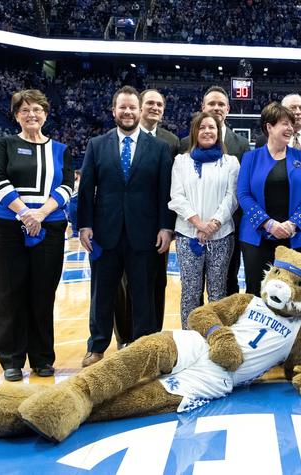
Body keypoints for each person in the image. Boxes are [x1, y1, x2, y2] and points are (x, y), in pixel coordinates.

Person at [78, 86, 174, 368]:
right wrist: (84, 225)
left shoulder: (159, 148)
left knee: (143, 292)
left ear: (139, 110)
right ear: (114, 111)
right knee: (102, 293)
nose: (128, 112)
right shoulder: (97, 145)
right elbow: (86, 190)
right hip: (105, 233)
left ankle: (144, 346)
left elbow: (164, 192)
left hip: (144, 233)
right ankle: (96, 347)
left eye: (132, 107)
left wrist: (165, 228)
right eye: (123, 107)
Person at [0, 89, 73, 381]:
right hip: (7, 228)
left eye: (37, 109)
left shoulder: (61, 149)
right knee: (9, 293)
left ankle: (42, 357)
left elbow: (67, 186)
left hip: (49, 228)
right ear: (16, 115)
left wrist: (39, 214)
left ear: (45, 113)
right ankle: (11, 359)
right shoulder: (5, 144)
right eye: (25, 110)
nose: (31, 114)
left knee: (42, 294)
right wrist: (24, 213)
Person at [113, 89, 181, 348]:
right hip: (122, 225)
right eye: (149, 103)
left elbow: (171, 186)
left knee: (156, 280)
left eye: (159, 104)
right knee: (124, 282)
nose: (154, 107)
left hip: (156, 226)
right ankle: (124, 337)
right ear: (139, 107)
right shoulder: (121, 138)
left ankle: (152, 335)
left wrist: (168, 226)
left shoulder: (171, 141)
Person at [237, 102, 301, 296]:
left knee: (294, 295)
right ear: (269, 127)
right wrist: (268, 224)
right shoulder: (250, 157)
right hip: (256, 238)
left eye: (291, 123)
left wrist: (293, 223)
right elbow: (243, 194)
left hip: (295, 236)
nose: (290, 128)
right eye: (284, 123)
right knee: (256, 294)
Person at [169, 112, 239, 329]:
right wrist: (199, 224)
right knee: (190, 291)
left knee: (218, 292)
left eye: (212, 127)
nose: (207, 131)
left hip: (221, 235)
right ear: (194, 132)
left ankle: (216, 338)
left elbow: (232, 197)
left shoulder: (230, 162)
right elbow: (177, 197)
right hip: (188, 235)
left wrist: (214, 224)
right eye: (202, 127)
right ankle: (190, 340)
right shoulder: (181, 162)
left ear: (219, 133)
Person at [180, 86, 250, 297]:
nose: (216, 108)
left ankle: (225, 329)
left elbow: (240, 190)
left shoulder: (242, 144)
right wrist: (198, 223)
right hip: (191, 228)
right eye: (212, 104)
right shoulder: (185, 145)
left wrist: (218, 222)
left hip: (228, 229)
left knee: (227, 284)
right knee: (192, 288)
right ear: (203, 107)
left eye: (221, 104)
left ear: (228, 109)